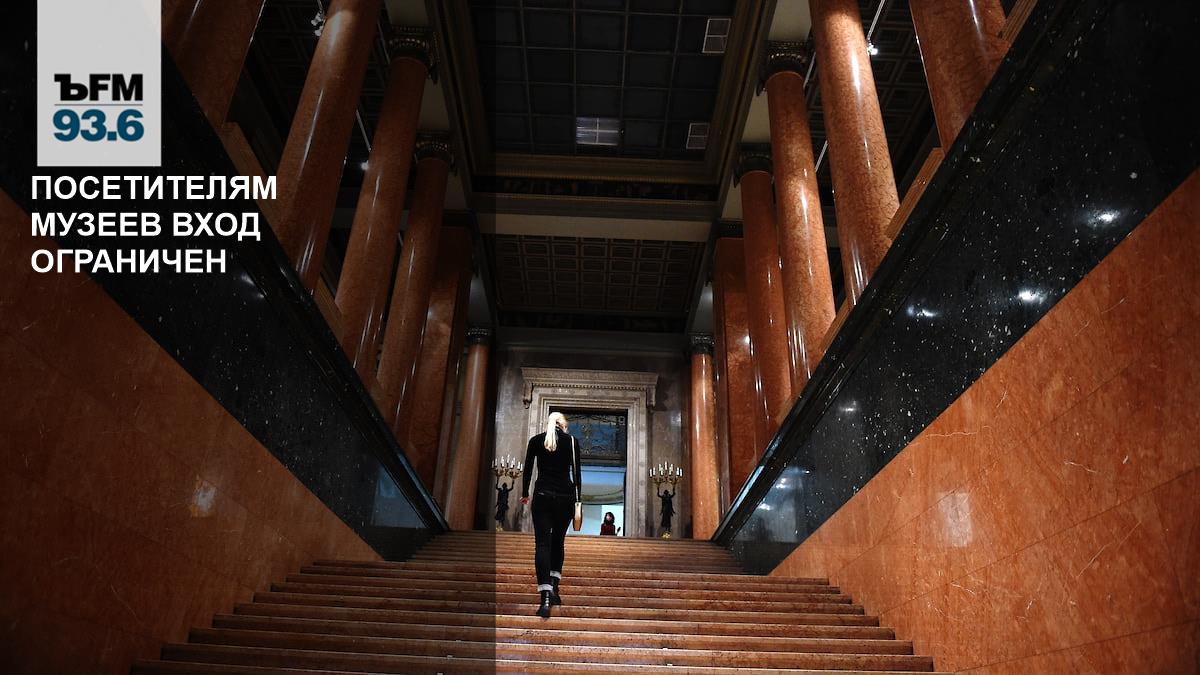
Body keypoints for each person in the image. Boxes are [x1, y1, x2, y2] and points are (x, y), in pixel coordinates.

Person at [520, 411, 581, 618]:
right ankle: (555, 587)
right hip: (566, 497)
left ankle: (545, 597)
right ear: (563, 425)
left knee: (542, 545)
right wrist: (578, 500)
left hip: (543, 495)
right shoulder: (571, 441)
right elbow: (577, 474)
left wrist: (525, 493)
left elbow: (528, 469)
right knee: (558, 542)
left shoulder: (536, 440)